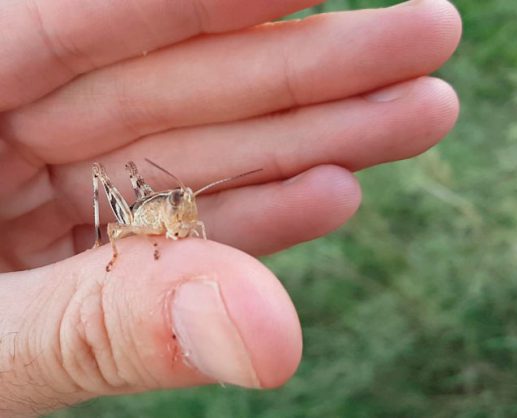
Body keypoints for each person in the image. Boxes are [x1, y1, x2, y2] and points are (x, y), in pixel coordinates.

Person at [0, 0, 461, 415]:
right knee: (105, 176)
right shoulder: (146, 215)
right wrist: (120, 248)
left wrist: (176, 238)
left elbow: (190, 230)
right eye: (180, 201)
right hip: (130, 223)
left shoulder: (185, 215)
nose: (185, 208)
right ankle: (104, 245)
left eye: (184, 202)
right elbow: (152, 223)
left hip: (148, 224)